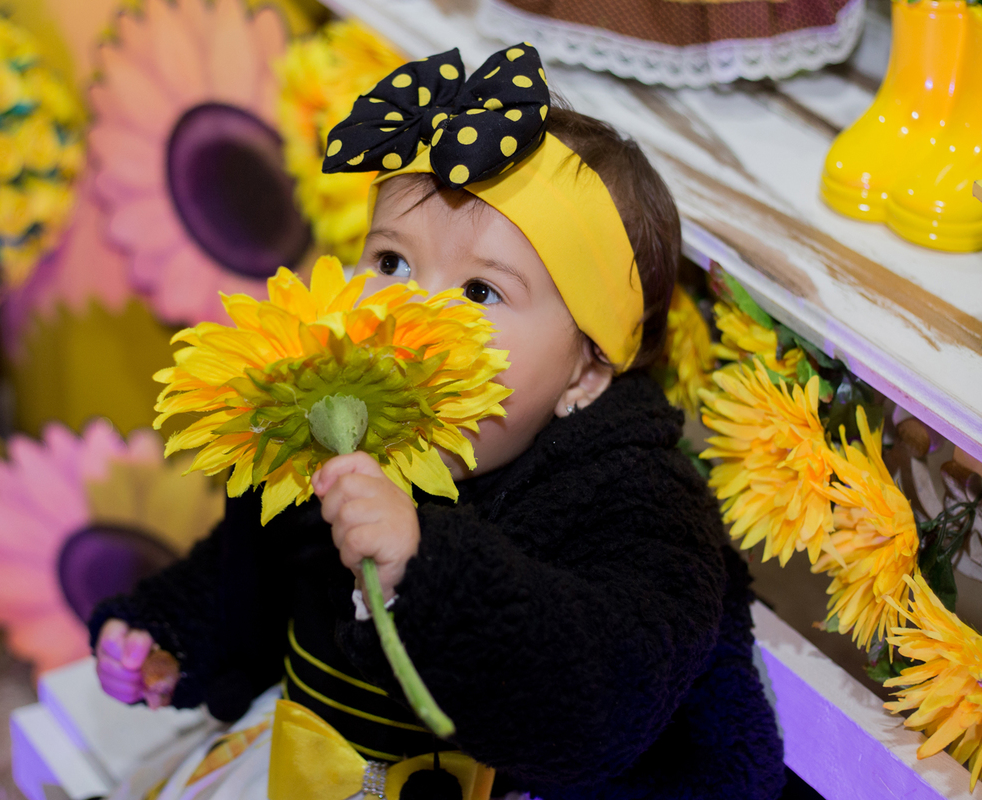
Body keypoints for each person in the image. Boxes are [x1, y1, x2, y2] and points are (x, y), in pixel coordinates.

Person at [90, 43, 784, 800]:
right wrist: (172, 633)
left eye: (481, 293)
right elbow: (253, 573)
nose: (408, 314)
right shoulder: (342, 421)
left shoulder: (634, 498)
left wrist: (425, 570)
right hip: (311, 755)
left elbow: (601, 695)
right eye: (391, 263)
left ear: (584, 371)